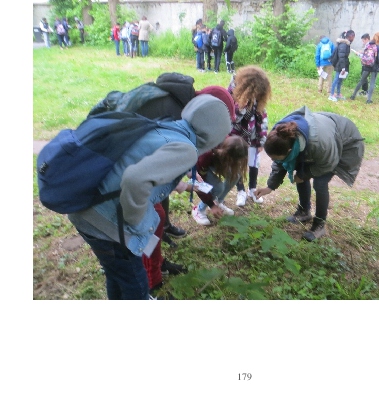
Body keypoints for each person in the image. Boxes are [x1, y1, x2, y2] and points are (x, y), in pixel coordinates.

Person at [67, 93, 234, 299]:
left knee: (116, 274)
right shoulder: (186, 149)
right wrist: (134, 222)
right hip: (107, 222)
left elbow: (151, 169)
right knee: (135, 283)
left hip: (86, 207)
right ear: (214, 133)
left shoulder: (168, 126)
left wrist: (185, 185)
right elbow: (134, 179)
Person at [255, 106, 365, 241]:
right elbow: (280, 163)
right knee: (300, 171)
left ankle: (319, 224)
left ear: (289, 151)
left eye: (276, 158)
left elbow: (328, 163)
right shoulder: (280, 135)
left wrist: (304, 175)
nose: (273, 161)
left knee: (320, 183)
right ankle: (304, 211)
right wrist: (270, 186)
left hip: (344, 141)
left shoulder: (319, 144)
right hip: (319, 139)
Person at [228, 66, 271, 206]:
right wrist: (242, 107)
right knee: (238, 162)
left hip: (252, 136)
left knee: (253, 162)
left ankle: (252, 189)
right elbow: (232, 118)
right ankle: (240, 191)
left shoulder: (257, 97)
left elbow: (262, 117)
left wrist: (261, 140)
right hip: (236, 135)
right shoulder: (232, 93)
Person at [190, 135, 248, 226]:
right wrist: (211, 205)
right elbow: (199, 183)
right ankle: (198, 210)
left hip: (218, 159)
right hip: (199, 166)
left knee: (236, 175)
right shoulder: (206, 155)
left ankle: (218, 202)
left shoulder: (233, 146)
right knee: (218, 187)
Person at [349, 31, 379, 104]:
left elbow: (365, 54)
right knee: (372, 83)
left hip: (367, 65)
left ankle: (353, 95)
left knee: (361, 81)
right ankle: (369, 100)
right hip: (375, 67)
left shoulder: (369, 44)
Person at [329, 30, 355, 101]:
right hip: (340, 65)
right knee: (336, 79)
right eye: (353, 37)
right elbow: (342, 57)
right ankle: (331, 95)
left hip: (343, 65)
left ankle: (338, 94)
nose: (353, 39)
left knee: (340, 80)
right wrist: (343, 68)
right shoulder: (343, 45)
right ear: (350, 36)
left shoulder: (346, 44)